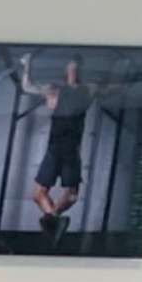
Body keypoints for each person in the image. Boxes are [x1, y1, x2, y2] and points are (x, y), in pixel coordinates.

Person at [19, 53, 90, 236]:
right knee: (37, 195)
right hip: (56, 148)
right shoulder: (55, 91)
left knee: (72, 196)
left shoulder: (85, 91)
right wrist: (26, 64)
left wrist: (124, 69)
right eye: (70, 68)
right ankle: (54, 219)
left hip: (71, 150)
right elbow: (27, 86)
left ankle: (53, 219)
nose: (73, 71)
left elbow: (114, 89)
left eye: (75, 68)